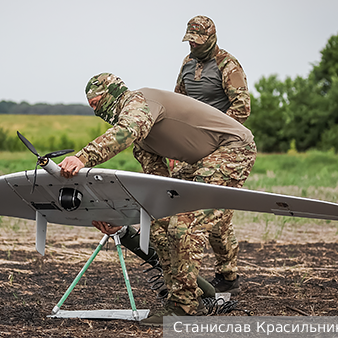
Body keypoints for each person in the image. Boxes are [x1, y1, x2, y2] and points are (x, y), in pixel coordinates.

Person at [59, 73, 256, 325]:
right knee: (161, 223)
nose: (96, 111)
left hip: (233, 148)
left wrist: (83, 157)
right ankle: (187, 295)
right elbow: (159, 192)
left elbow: (127, 130)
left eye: (97, 103)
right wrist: (122, 221)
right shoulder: (143, 144)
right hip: (201, 162)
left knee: (185, 224)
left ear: (112, 95)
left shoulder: (139, 101)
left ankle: (184, 309)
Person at [172, 15, 251, 295]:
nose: (193, 46)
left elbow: (242, 108)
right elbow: (177, 103)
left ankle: (227, 275)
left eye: (199, 41)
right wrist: (173, 144)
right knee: (173, 197)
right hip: (191, 147)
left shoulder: (227, 65)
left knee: (216, 213)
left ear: (212, 39)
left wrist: (216, 133)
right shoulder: (186, 64)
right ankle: (177, 276)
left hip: (222, 147)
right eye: (190, 41)